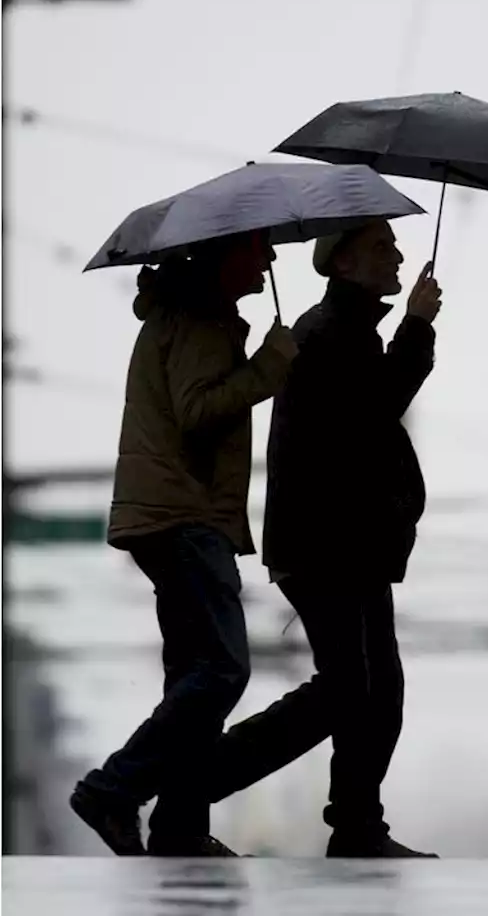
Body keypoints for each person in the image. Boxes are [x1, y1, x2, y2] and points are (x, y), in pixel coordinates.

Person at [193, 219, 442, 857]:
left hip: (348, 545)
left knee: (372, 690)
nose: (397, 257)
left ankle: (357, 824)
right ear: (347, 262)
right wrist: (416, 324)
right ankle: (194, 786)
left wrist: (407, 330)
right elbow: (376, 407)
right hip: (327, 546)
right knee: (350, 690)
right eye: (383, 247)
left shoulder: (348, 329)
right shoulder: (330, 333)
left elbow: (370, 412)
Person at [69, 231, 298, 857]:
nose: (271, 260)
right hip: (183, 514)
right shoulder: (202, 319)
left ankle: (180, 825)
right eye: (260, 249)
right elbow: (197, 412)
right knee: (224, 668)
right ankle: (113, 789)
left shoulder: (195, 314)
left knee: (193, 675)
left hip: (173, 511)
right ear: (227, 255)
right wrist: (271, 366)